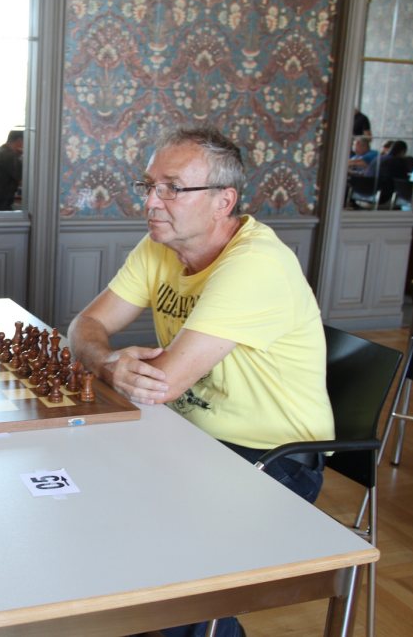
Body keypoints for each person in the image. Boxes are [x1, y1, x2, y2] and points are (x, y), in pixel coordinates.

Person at [68, 125, 333, 637]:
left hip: (273, 459)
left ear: (223, 202)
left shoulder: (256, 264)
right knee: (82, 505)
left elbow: (160, 384)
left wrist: (110, 365)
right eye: (149, 186)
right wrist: (105, 362)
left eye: (172, 188)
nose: (152, 202)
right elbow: (85, 326)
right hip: (187, 440)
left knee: (166, 570)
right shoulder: (161, 246)